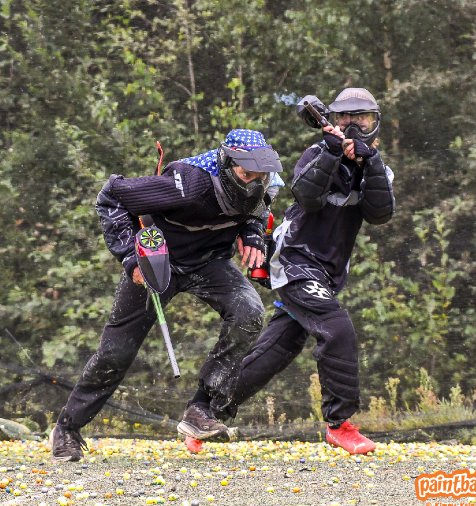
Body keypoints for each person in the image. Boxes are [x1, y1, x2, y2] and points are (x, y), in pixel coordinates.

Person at [50, 129, 283, 461]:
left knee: (249, 312)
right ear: (228, 164)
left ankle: (201, 409)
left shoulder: (259, 183)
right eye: (247, 175)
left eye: (260, 176)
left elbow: (258, 210)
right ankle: (67, 428)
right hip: (157, 262)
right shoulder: (189, 184)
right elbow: (112, 195)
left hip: (209, 262)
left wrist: (254, 234)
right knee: (116, 353)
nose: (254, 183)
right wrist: (131, 258)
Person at [215, 88, 395, 455]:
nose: (357, 126)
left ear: (376, 125)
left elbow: (380, 214)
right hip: (293, 260)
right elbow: (308, 197)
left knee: (276, 350)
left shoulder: (379, 167)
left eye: (366, 120)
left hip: (326, 274)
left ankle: (205, 408)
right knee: (337, 329)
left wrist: (369, 163)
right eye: (349, 119)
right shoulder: (316, 153)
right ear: (335, 122)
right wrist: (332, 153)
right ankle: (339, 425)